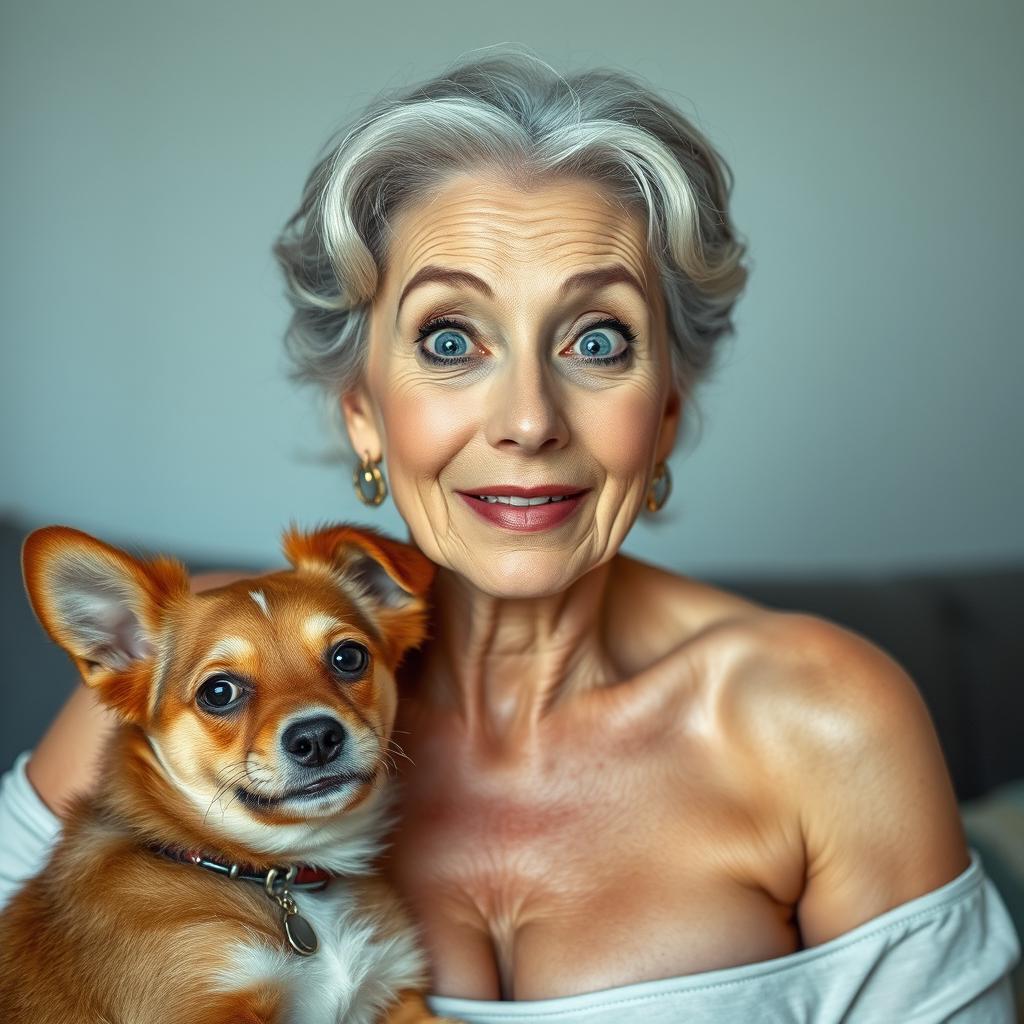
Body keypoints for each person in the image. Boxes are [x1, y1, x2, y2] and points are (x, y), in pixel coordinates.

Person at [1, 48, 1019, 1022]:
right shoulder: (189, 677)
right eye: (450, 339)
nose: (528, 419)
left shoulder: (823, 720)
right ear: (363, 409)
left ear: (664, 408)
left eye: (596, 339)